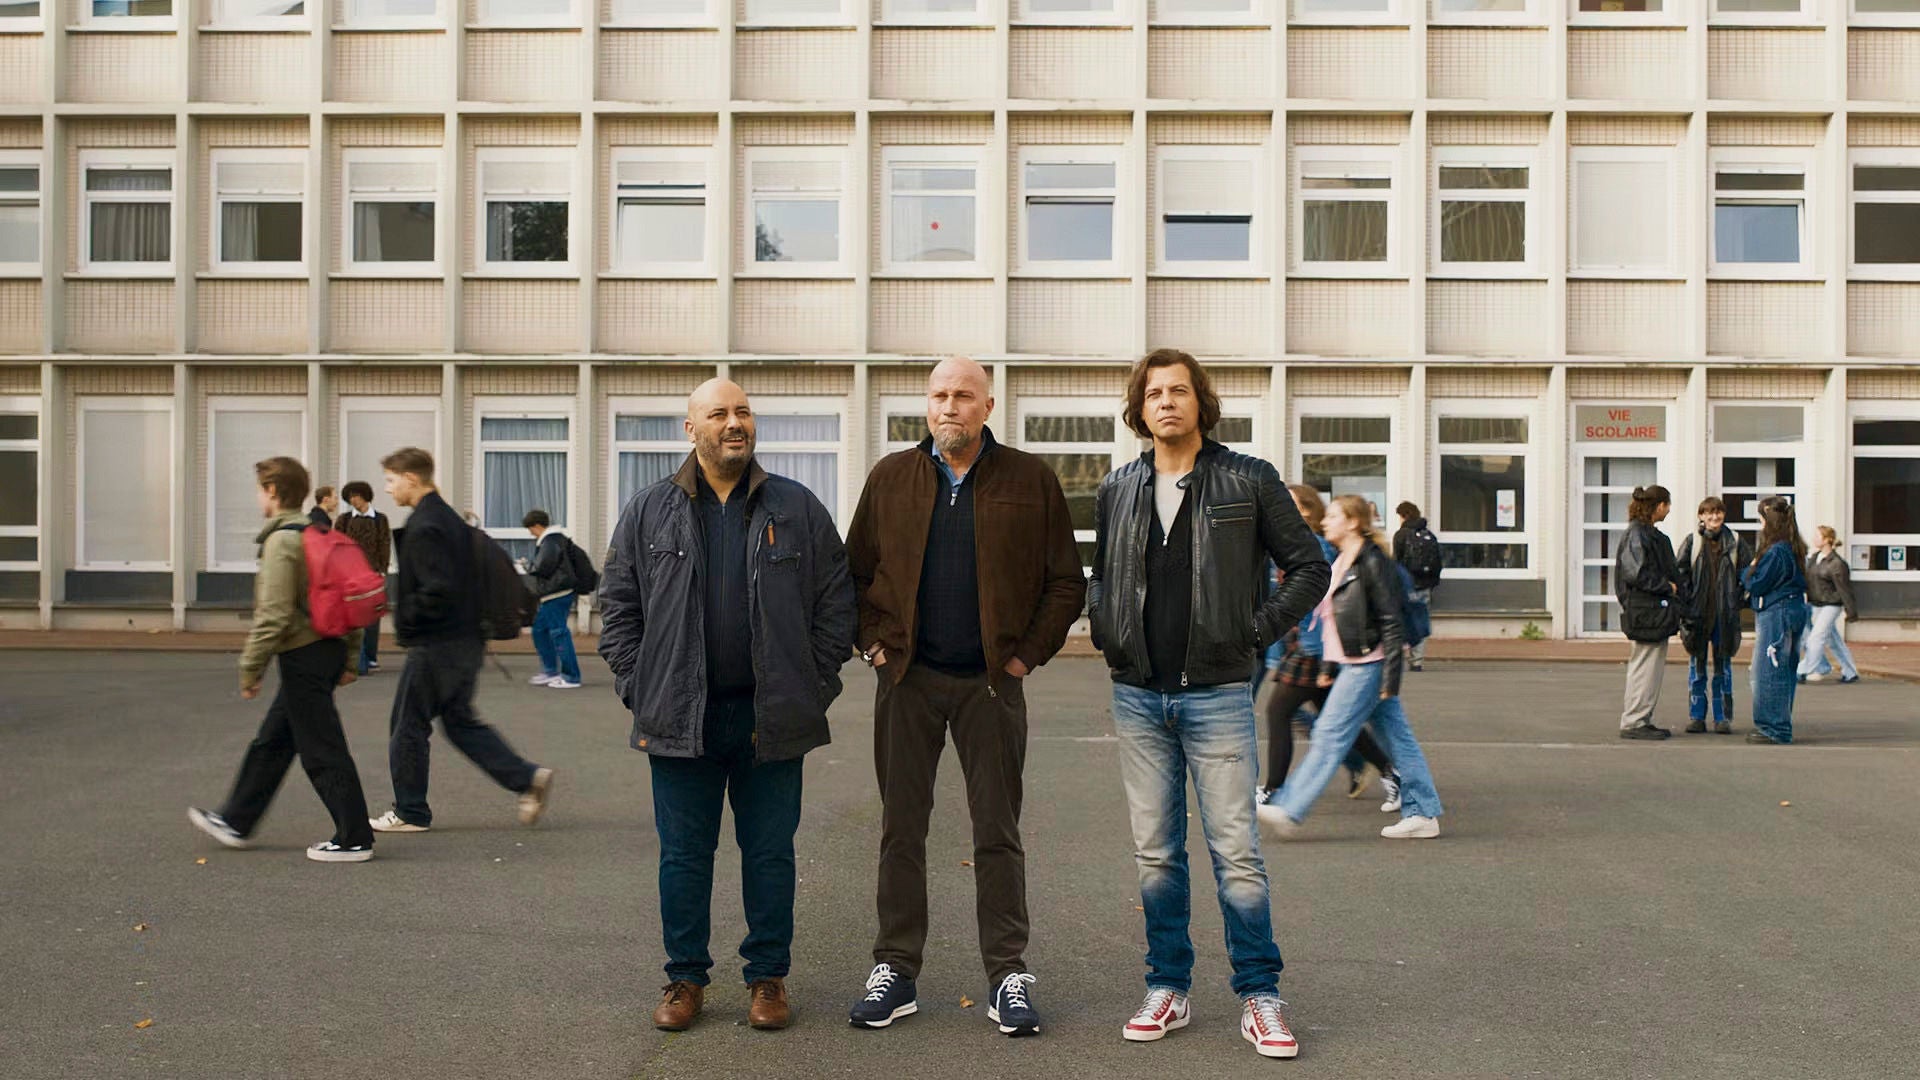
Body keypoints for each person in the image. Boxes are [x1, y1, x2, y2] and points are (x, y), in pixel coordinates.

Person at [1088, 349, 1327, 1060]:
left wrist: (1254, 630)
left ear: (1201, 401)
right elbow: (1103, 576)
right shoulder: (1119, 487)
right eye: (1154, 392)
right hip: (1138, 695)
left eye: (1179, 390)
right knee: (1157, 853)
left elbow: (1309, 566)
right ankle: (1168, 986)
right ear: (1139, 407)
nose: (1166, 402)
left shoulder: (1246, 478)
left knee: (1236, 853)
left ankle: (1260, 996)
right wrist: (1108, 633)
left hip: (1218, 693)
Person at [599, 379, 855, 1034]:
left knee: (770, 853)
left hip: (770, 715)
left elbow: (835, 602)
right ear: (691, 429)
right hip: (679, 715)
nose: (734, 422)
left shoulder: (795, 507)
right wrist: (641, 684)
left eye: (743, 412)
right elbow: (618, 609)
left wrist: (813, 683)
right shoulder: (649, 510)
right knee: (683, 855)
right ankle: (685, 977)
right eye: (719, 413)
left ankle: (767, 978)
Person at [845, 356, 1085, 1038]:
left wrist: (1021, 657)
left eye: (963, 396)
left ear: (987, 406)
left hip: (990, 687)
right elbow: (853, 574)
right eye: (939, 395)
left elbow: (1065, 582)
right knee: (901, 831)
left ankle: (1007, 974)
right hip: (908, 682)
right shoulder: (892, 477)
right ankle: (896, 971)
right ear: (927, 404)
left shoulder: (1030, 480)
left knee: (997, 834)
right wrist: (875, 645)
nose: (949, 406)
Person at [188, 457, 375, 863]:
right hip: (325, 649)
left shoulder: (282, 542)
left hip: (302, 655)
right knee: (273, 741)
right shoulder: (318, 533)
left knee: (321, 748)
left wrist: (249, 668)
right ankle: (237, 819)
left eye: (260, 489)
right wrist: (348, 658)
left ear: (273, 491)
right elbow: (351, 599)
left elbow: (273, 615)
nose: (258, 496)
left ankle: (354, 837)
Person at [369, 447, 554, 835]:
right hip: (464, 640)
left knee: (407, 724)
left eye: (391, 480)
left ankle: (410, 811)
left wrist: (407, 614)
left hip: (439, 643)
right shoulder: (447, 518)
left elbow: (440, 588)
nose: (387, 489)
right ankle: (527, 779)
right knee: (458, 722)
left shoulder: (426, 524)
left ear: (412, 479)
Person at [1259, 494, 1445, 844]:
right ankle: (1422, 812)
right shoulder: (1346, 560)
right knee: (1397, 738)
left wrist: (1391, 678)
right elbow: (1332, 621)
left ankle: (1289, 807)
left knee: (1330, 733)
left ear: (1354, 523)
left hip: (1368, 663)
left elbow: (1391, 622)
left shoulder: (1372, 563)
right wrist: (1329, 665)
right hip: (1352, 662)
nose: (1326, 521)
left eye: (1333, 515)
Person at [1260, 484, 1396, 809]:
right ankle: (1390, 772)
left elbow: (1321, 604)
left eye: (1289, 504)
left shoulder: (1316, 547)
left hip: (1313, 647)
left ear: (1306, 510)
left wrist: (1318, 656)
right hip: (1308, 645)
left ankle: (1274, 790)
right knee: (1330, 719)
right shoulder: (1292, 543)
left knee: (1279, 712)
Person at [1674, 497, 1751, 735]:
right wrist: (1686, 604)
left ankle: (1722, 718)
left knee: (1723, 668)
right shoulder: (1693, 541)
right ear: (1701, 516)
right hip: (1698, 615)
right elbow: (1680, 573)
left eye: (1718, 513)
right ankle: (1696, 716)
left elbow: (1747, 574)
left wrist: (1738, 599)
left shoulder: (1736, 542)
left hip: (1724, 616)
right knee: (1696, 668)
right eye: (1709, 514)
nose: (1714, 518)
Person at [1615, 485, 1682, 741]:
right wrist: (1667, 587)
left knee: (1646, 666)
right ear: (1659, 506)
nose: (1669, 509)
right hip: (1648, 610)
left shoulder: (1641, 533)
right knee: (1645, 666)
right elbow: (1637, 573)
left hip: (1647, 610)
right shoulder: (1639, 535)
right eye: (1667, 504)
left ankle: (1640, 718)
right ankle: (1634, 721)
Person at [1743, 496, 1810, 745]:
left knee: (1769, 669)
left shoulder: (1776, 551)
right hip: (1793, 608)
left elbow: (1758, 583)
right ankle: (1779, 723)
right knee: (1784, 668)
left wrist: (1747, 572)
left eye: (1761, 519)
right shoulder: (1793, 546)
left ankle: (1774, 727)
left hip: (1777, 611)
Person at [334, 481, 391, 676]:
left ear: (365, 496)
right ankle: (353, 658)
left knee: (372, 618)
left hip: (372, 575)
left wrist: (382, 571)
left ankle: (371, 657)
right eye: (349, 498)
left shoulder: (379, 520)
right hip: (349, 576)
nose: (353, 501)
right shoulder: (344, 520)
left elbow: (385, 543)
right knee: (351, 618)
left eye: (355, 496)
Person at [520, 509, 581, 690]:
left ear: (537, 526)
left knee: (558, 632)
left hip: (556, 593)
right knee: (540, 630)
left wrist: (527, 566)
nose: (530, 534)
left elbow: (543, 567)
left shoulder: (550, 541)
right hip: (555, 593)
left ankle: (571, 677)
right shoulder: (555, 540)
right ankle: (550, 671)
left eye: (531, 529)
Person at [1799, 525, 1860, 686]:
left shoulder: (1837, 563)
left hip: (1832, 604)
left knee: (1816, 638)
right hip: (1817, 604)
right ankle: (1850, 671)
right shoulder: (1814, 559)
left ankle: (1802, 670)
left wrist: (1851, 611)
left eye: (1817, 536)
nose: (1814, 538)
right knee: (1833, 640)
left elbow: (1844, 589)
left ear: (1827, 540)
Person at [1391, 502, 1441, 671]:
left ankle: (1395, 656)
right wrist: (1431, 583)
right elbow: (1438, 563)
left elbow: (1396, 562)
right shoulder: (1429, 535)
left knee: (1399, 620)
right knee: (1420, 620)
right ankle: (1417, 661)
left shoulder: (1401, 535)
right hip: (1424, 585)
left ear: (1404, 515)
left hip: (1406, 585)